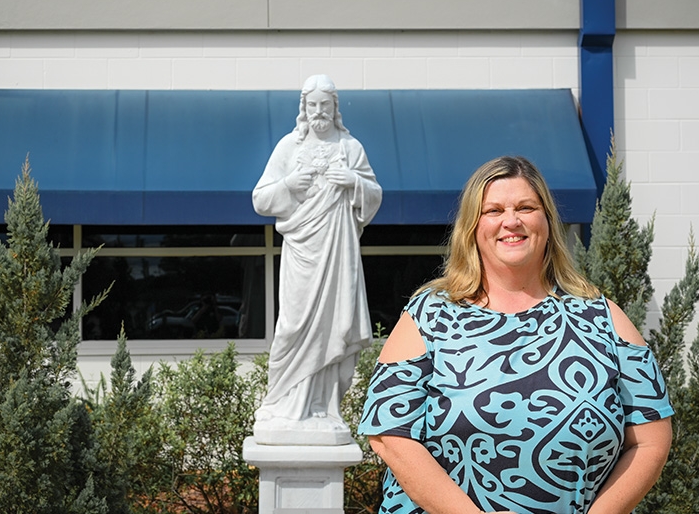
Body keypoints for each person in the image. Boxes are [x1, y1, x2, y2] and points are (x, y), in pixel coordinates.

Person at [358, 156, 673, 514]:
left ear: (547, 221)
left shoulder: (602, 316)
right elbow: (388, 434)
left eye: (526, 207)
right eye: (493, 210)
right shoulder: (430, 315)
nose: (512, 221)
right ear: (472, 227)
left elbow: (651, 440)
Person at [252, 74, 382, 443]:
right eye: (313, 105)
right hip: (301, 254)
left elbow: (374, 195)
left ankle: (323, 408)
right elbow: (260, 200)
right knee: (292, 326)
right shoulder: (287, 148)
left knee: (331, 325)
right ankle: (282, 402)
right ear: (304, 108)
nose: (319, 112)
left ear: (335, 108)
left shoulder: (350, 147)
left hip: (338, 254)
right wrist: (290, 185)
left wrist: (353, 183)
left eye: (326, 105)